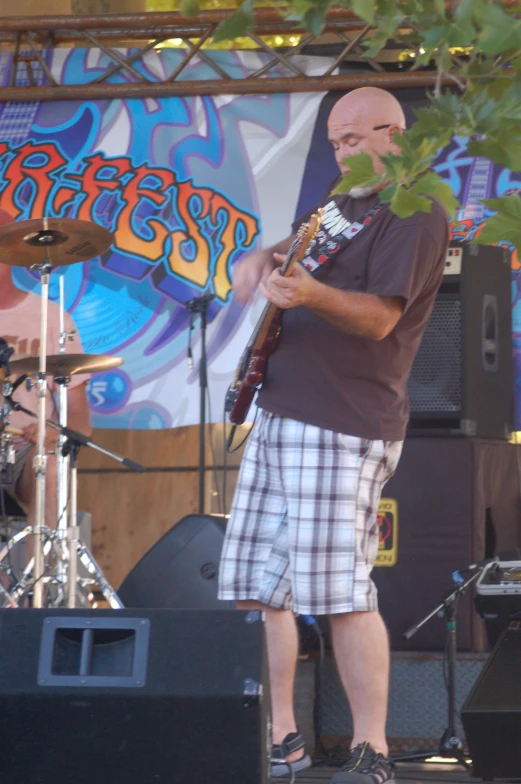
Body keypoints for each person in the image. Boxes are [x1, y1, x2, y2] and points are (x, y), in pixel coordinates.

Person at [218, 86, 450, 783]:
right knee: (257, 590)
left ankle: (370, 747)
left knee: (342, 594)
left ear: (395, 133)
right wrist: (258, 259)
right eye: (336, 143)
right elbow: (292, 249)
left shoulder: (415, 208)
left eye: (354, 140)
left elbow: (380, 318)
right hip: (280, 411)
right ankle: (282, 737)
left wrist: (310, 294)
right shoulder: (337, 206)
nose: (343, 153)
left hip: (342, 421)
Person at [0, 208, 91, 534]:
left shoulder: (50, 317)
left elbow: (80, 418)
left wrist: (54, 433)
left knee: (51, 466)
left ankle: (42, 580)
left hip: (26, 452)